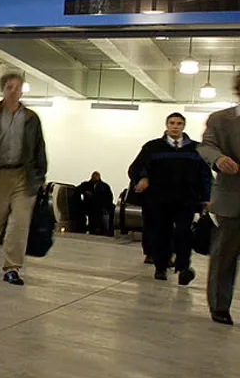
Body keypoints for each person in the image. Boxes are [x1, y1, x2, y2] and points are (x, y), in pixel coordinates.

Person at [0, 72, 48, 286]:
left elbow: (40, 148)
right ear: (3, 91)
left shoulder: (31, 118)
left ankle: (12, 267)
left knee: (19, 223)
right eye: (9, 87)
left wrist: (39, 177)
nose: (14, 91)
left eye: (17, 87)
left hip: (23, 175)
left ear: (22, 90)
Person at [129, 112, 211, 284]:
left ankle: (183, 268)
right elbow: (136, 167)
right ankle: (161, 267)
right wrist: (143, 178)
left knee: (184, 233)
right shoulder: (152, 147)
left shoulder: (195, 149)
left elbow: (205, 174)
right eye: (172, 123)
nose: (175, 126)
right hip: (159, 201)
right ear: (167, 125)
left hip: (185, 200)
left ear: (183, 126)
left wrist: (207, 197)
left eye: (179, 123)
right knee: (162, 233)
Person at [198, 77, 240, 325]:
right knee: (224, 256)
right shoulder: (220, 119)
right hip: (232, 198)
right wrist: (218, 159)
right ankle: (219, 305)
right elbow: (206, 146)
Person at [77, 172, 115, 236]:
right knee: (92, 223)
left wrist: (106, 207)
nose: (94, 178)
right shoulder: (86, 185)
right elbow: (77, 190)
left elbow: (109, 197)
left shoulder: (104, 186)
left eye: (96, 177)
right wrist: (84, 193)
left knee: (103, 224)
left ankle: (103, 233)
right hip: (90, 208)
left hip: (101, 208)